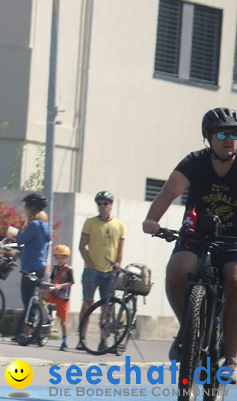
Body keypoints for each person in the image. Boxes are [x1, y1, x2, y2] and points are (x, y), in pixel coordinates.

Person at [143, 107, 237, 365]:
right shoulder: (194, 162)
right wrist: (153, 220)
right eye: (221, 135)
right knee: (177, 269)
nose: (228, 140)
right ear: (208, 138)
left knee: (235, 280)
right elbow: (168, 192)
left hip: (233, 243)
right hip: (197, 238)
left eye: (233, 134)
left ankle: (232, 358)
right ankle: (189, 331)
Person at [75, 189, 124, 350]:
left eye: (106, 203)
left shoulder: (119, 225)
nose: (102, 206)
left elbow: (120, 250)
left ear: (111, 205)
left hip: (110, 272)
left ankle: (104, 340)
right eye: (100, 203)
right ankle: (81, 339)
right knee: (87, 304)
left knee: (107, 307)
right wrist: (90, 264)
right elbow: (82, 246)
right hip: (92, 271)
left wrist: (117, 266)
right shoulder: (90, 222)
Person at [18, 193, 51, 312]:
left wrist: (20, 228)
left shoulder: (34, 225)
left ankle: (27, 329)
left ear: (32, 208)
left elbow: (20, 241)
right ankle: (33, 326)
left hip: (30, 267)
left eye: (26, 207)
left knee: (27, 301)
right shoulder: (45, 225)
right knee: (32, 299)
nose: (25, 209)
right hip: (40, 266)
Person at [48, 244, 75, 350]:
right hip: (53, 293)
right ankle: (45, 321)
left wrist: (61, 286)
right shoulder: (54, 269)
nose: (59, 260)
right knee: (42, 298)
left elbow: (72, 282)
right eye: (57, 257)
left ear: (66, 258)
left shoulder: (69, 270)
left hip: (63, 296)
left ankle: (64, 341)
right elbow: (51, 280)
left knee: (63, 321)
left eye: (62, 257)